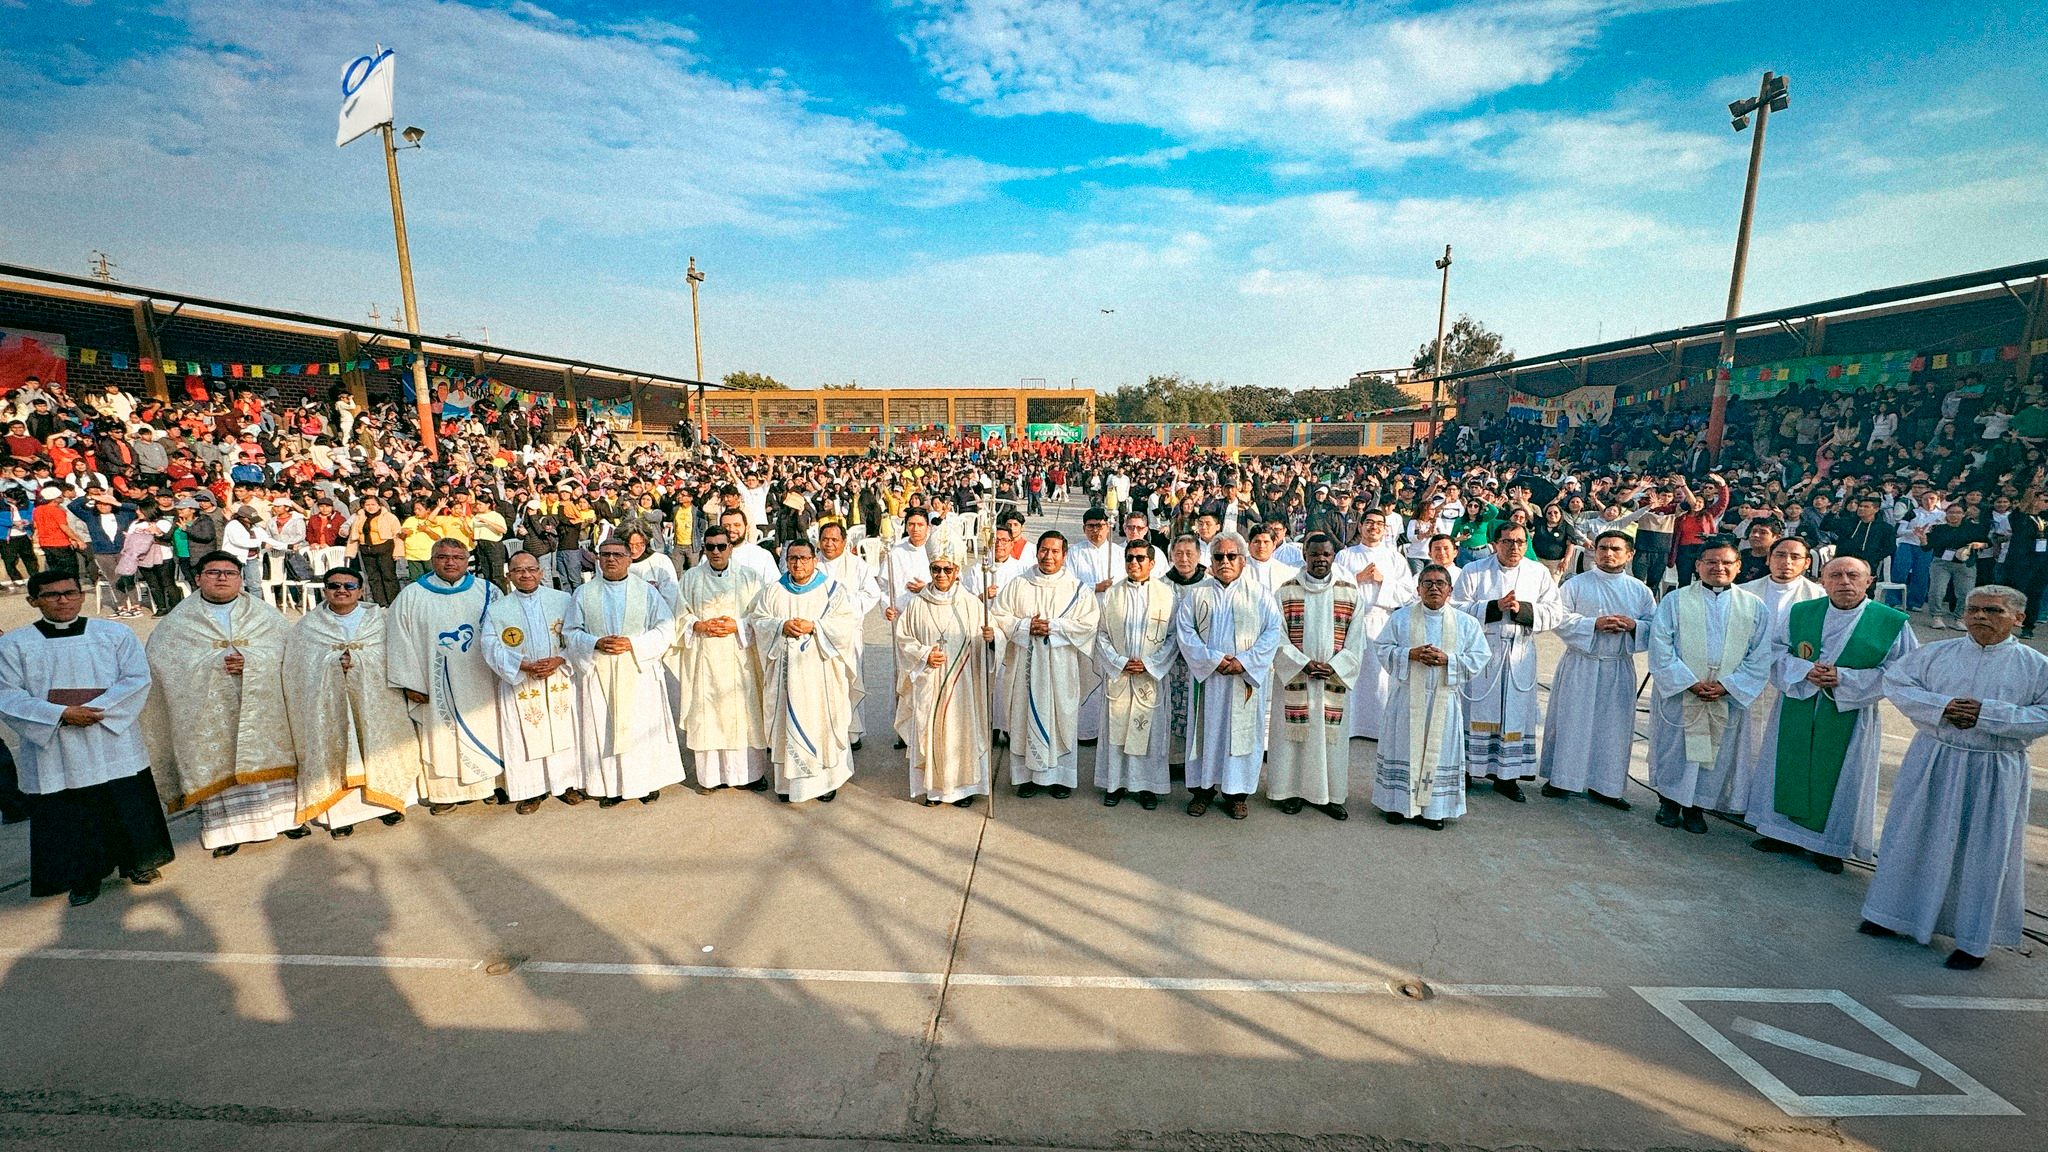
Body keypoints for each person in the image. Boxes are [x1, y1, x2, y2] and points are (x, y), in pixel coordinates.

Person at [1859, 586, 2048, 969]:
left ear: (2018, 618)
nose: (1979, 617)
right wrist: (1943, 706)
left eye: (1993, 610)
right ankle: (1890, 914)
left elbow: (2043, 713)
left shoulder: (2035, 665)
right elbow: (1897, 683)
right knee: (1912, 836)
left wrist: (1988, 714)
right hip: (1934, 757)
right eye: (1972, 609)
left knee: (1982, 852)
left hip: (1994, 767)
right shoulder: (1936, 652)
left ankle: (1971, 940)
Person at [0, 569, 171, 905]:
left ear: (81, 595)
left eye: (70, 592)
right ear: (33, 600)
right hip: (56, 745)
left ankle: (137, 863)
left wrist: (95, 709)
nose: (63, 600)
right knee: (70, 814)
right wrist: (60, 714)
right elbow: (6, 694)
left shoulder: (114, 633)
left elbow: (138, 678)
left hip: (111, 737)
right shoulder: (13, 645)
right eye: (51, 595)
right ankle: (84, 877)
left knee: (122, 802)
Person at [1747, 556, 1916, 872]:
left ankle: (1829, 846)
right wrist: (1803, 670)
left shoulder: (1891, 622)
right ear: (1823, 581)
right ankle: (1779, 833)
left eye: (1854, 575)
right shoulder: (1801, 613)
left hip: (1849, 711)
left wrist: (1845, 678)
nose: (1844, 582)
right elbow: (1774, 652)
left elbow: (1904, 672)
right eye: (1835, 575)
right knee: (1787, 764)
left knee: (1843, 776)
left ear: (1869, 581)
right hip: (1799, 700)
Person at [140, 550, 301, 856]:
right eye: (213, 573)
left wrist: (252, 662)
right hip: (208, 711)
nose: (223, 578)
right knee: (218, 763)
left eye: (231, 573)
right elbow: (163, 667)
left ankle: (287, 820)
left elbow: (291, 655)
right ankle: (226, 832)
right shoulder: (177, 624)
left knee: (270, 760)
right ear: (198, 578)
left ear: (241, 578)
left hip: (263, 706)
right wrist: (213, 663)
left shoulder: (265, 615)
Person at [1645, 541, 1772, 835]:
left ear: (1738, 567)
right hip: (1683, 691)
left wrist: (1729, 686)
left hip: (1724, 694)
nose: (1719, 568)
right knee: (1676, 750)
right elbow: (1660, 645)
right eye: (1711, 562)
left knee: (1713, 754)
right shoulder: (1675, 600)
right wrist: (1688, 682)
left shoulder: (1754, 606)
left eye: (1727, 563)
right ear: (1698, 565)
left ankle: (1697, 807)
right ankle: (1669, 803)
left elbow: (1760, 654)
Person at [284, 566, 419, 836]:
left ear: (361, 590)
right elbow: (296, 670)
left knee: (381, 747)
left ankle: (389, 804)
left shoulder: (381, 619)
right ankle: (343, 817)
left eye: (349, 586)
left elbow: (400, 655)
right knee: (340, 752)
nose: (341, 591)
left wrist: (358, 661)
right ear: (325, 591)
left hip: (378, 701)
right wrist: (333, 664)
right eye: (334, 586)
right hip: (330, 705)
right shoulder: (308, 627)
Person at [386, 538, 504, 812]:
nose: (450, 562)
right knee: (441, 737)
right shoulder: (411, 595)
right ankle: (446, 794)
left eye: (457, 557)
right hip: (433, 681)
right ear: (431, 559)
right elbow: (398, 640)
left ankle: (489, 785)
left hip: (481, 680)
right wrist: (410, 682)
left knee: (487, 726)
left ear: (467, 561)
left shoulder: (488, 591)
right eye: (442, 557)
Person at [1538, 531, 1655, 808]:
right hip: (1581, 662)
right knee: (1571, 722)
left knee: (1613, 728)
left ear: (1630, 554)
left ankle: (1607, 785)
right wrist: (1593, 625)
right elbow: (1559, 618)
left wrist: (1633, 626)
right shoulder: (1576, 584)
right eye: (1602, 548)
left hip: (1617, 666)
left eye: (1616, 549)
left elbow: (1656, 627)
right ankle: (1562, 779)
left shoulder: (1640, 590)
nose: (1608, 553)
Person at [1371, 564, 1492, 829]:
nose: (1433, 587)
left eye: (1440, 583)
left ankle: (1434, 811)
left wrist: (1449, 660)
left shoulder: (1466, 623)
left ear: (1449, 590)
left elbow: (1480, 656)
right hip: (1407, 699)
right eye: (1427, 583)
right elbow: (1382, 648)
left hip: (1443, 700)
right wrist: (1409, 654)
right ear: (1418, 589)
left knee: (1440, 755)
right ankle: (1398, 805)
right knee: (1402, 748)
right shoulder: (1401, 618)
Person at [1451, 523, 1565, 800]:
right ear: (1495, 543)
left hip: (1520, 649)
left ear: (1526, 544)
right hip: (1483, 649)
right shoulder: (1474, 570)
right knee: (1476, 708)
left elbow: (1555, 611)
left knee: (1514, 711)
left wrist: (1522, 609)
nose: (1514, 547)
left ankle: (1507, 776)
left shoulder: (1538, 572)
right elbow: (1454, 608)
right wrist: (1492, 607)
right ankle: (1467, 770)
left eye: (1519, 542)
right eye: (1507, 542)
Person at [566, 537, 683, 806]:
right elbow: (570, 632)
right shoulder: (583, 593)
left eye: (618, 554)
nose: (611, 559)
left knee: (640, 726)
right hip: (600, 671)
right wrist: (594, 642)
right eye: (605, 554)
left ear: (630, 559)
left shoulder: (647, 592)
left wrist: (634, 643)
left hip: (638, 671)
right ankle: (612, 786)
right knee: (605, 729)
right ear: (597, 558)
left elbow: (665, 628)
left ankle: (646, 783)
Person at [1176, 531, 1283, 820]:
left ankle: (1237, 795)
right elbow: (1185, 633)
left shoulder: (1259, 594)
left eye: (1231, 556)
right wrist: (1212, 660)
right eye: (1219, 556)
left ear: (1243, 560)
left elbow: (1273, 632)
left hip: (1243, 682)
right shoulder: (1197, 594)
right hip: (1208, 681)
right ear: (1210, 561)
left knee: (1242, 736)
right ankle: (1203, 790)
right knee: (1206, 734)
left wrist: (1245, 662)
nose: (1225, 561)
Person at [1266, 534, 1369, 819]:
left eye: (1326, 554)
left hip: (1331, 680)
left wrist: (1336, 666)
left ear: (1334, 556)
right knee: (1293, 740)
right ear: (1304, 555)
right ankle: (1290, 792)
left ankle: (1331, 795)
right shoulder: (1285, 592)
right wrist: (1301, 663)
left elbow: (1357, 639)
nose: (1320, 559)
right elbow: (1276, 636)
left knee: (1329, 743)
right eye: (1315, 554)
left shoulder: (1349, 592)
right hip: (1296, 678)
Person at [991, 531, 1100, 798]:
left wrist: (1053, 627)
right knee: (1023, 717)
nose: (1048, 556)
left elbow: (1088, 624)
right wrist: (1025, 626)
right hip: (1024, 668)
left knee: (1061, 717)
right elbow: (998, 616)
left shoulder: (1077, 589)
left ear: (1064, 555)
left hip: (1060, 669)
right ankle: (1026, 777)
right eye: (1044, 550)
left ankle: (1061, 778)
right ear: (1036, 551)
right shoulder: (1018, 584)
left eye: (1055, 551)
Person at [752, 539, 862, 803]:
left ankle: (825, 783)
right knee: (787, 724)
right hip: (786, 676)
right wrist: (780, 626)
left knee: (820, 724)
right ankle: (788, 785)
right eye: (792, 558)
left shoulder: (832, 591)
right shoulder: (774, 591)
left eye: (803, 558)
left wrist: (815, 627)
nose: (797, 563)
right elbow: (759, 619)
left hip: (820, 675)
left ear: (815, 560)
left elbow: (845, 624)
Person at [480, 551, 587, 813]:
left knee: (565, 729)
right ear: (509, 576)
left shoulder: (563, 600)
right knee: (524, 733)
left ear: (541, 572)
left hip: (558, 678)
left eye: (531, 569)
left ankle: (568, 784)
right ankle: (531, 790)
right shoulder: (497, 609)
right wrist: (522, 665)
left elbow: (578, 634)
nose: (525, 574)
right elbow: (489, 644)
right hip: (521, 682)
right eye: (518, 570)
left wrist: (561, 659)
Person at [894, 536, 994, 807]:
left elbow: (990, 640)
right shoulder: (917, 604)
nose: (941, 575)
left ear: (957, 570)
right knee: (931, 731)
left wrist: (990, 638)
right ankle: (935, 790)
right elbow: (903, 639)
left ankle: (963, 789)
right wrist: (925, 654)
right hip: (929, 681)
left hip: (963, 686)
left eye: (947, 569)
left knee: (961, 733)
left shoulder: (971, 604)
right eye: (935, 569)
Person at [673, 525, 769, 790]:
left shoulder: (749, 577)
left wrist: (737, 625)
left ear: (731, 547)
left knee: (744, 711)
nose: (716, 551)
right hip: (704, 656)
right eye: (710, 546)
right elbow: (679, 614)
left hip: (739, 656)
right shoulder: (691, 578)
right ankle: (711, 777)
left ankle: (750, 774)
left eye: (721, 546)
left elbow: (761, 616)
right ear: (703, 548)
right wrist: (697, 625)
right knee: (708, 714)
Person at [1090, 540, 1178, 809]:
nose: (1134, 563)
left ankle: (1147, 786)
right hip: (1121, 676)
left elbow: (1174, 637)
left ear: (1152, 563)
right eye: (1130, 558)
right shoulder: (1111, 595)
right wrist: (1119, 662)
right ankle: (1114, 784)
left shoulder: (1167, 595)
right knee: (1116, 729)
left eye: (1141, 558)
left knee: (1148, 733)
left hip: (1149, 677)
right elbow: (1101, 634)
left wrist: (1150, 664)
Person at [1336, 510, 1415, 742]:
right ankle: (1350, 727)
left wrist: (1383, 581)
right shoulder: (1345, 556)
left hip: (1382, 621)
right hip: (1351, 622)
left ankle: (1379, 727)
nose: (1374, 527)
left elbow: (1407, 593)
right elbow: (1333, 587)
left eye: (1379, 524)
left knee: (1380, 676)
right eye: (1369, 522)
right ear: (1360, 526)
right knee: (1352, 672)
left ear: (1385, 529)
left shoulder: (1395, 558)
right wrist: (1357, 578)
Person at [817, 521, 881, 750]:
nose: (829, 544)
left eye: (835, 540)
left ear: (844, 542)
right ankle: (825, 729)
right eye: (825, 539)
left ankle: (851, 731)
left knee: (848, 680)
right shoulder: (812, 565)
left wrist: (847, 607)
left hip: (849, 634)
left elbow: (872, 593)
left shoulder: (856, 565)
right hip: (819, 634)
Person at [880, 509, 934, 750]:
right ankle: (904, 728)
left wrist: (926, 587)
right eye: (911, 524)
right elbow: (882, 586)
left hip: (929, 620)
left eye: (920, 524)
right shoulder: (895, 553)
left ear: (927, 527)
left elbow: (953, 582)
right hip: (903, 620)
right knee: (903, 674)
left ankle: (927, 726)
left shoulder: (935, 550)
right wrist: (887, 606)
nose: (915, 529)